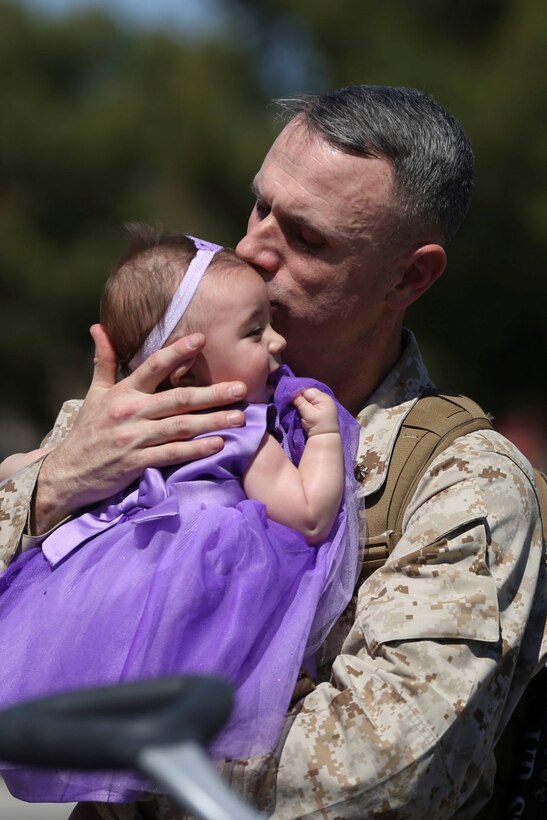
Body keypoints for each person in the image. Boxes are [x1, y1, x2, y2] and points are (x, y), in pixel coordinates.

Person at [0, 85, 545, 819]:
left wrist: (98, 742)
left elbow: (377, 781)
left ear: (409, 276)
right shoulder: (137, 412)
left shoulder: (463, 486)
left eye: (306, 238)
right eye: (260, 207)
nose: (254, 249)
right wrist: (52, 487)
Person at [0, 230, 360, 805]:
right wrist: (322, 439)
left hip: (102, 584)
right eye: (255, 330)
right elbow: (310, 517)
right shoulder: (240, 429)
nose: (279, 340)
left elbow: (18, 467)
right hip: (202, 589)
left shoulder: (119, 434)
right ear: (187, 370)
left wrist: (44, 468)